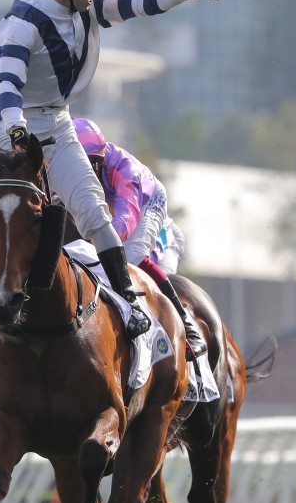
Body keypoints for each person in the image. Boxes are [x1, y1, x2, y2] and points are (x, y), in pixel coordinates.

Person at [0, 0, 239, 340]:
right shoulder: (23, 20)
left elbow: (138, 0)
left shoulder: (83, 4)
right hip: (13, 131)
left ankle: (127, 303)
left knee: (96, 216)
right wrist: (16, 130)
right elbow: (5, 86)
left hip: (58, 123)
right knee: (9, 220)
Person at [74, 117, 207, 357]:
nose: (84, 174)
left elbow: (127, 217)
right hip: (116, 208)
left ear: (101, 158)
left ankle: (187, 324)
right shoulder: (64, 170)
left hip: (147, 202)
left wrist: (101, 245)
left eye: (90, 165)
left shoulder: (124, 168)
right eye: (78, 166)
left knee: (131, 255)